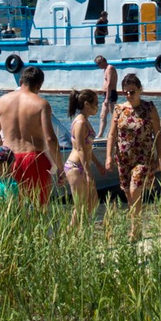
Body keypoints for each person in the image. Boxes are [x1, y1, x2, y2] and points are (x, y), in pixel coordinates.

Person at [0, 65, 60, 205]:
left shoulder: (2, 100)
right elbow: (50, 139)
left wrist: (3, 159)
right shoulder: (41, 104)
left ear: (21, 82)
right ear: (39, 85)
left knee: (12, 209)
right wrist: (60, 167)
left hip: (11, 160)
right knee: (38, 211)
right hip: (35, 160)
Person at [104, 73, 161, 231]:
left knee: (135, 189)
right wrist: (108, 157)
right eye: (126, 92)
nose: (129, 95)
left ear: (140, 90)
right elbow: (111, 134)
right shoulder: (119, 110)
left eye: (132, 91)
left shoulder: (149, 108)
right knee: (128, 194)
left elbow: (157, 134)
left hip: (143, 157)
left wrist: (159, 157)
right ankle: (136, 223)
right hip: (123, 158)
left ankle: (134, 228)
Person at [63, 90, 103, 224]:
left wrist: (97, 164)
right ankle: (70, 234)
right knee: (81, 205)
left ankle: (80, 229)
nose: (98, 106)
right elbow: (80, 149)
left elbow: (87, 149)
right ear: (87, 104)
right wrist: (88, 172)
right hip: (76, 167)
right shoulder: (80, 123)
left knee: (93, 201)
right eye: (96, 104)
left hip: (81, 165)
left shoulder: (84, 121)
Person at [94, 55, 119, 136]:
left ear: (103, 62)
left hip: (111, 94)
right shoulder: (105, 69)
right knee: (102, 115)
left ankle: (114, 133)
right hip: (106, 94)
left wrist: (107, 98)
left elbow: (109, 84)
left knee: (113, 115)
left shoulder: (110, 68)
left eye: (99, 64)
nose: (98, 66)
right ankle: (100, 134)